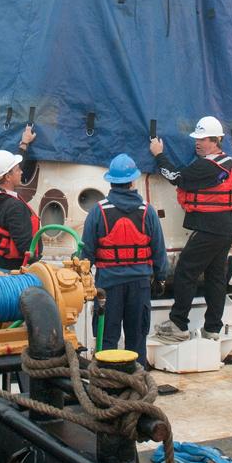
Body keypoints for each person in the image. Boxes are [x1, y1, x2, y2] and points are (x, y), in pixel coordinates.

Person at [149, 116, 232, 344]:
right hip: (226, 229)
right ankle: (213, 329)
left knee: (185, 272)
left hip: (208, 229)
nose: (197, 143)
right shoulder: (227, 162)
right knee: (216, 278)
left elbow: (177, 178)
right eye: (197, 139)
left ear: (216, 140)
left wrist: (159, 154)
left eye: (203, 139)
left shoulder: (206, 166)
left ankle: (178, 324)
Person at [81, 153, 168, 366]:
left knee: (107, 337)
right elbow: (158, 249)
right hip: (139, 284)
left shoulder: (98, 211)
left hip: (108, 285)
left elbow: (86, 254)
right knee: (137, 337)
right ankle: (137, 380)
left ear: (111, 181)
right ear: (133, 181)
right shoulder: (148, 211)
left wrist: (82, 281)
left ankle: (107, 381)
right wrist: (161, 278)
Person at [0, 125, 39, 271]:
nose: (21, 171)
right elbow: (25, 247)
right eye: (17, 170)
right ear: (7, 177)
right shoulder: (15, 208)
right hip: (12, 271)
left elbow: (10, 169)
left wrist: (24, 143)